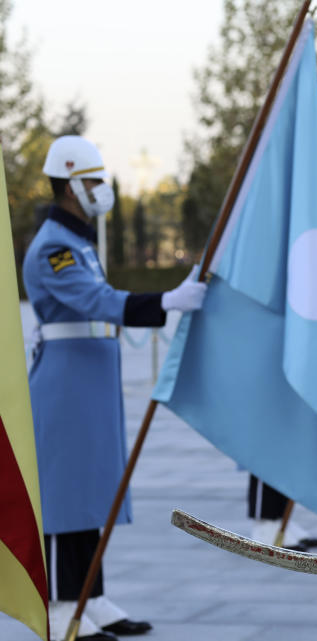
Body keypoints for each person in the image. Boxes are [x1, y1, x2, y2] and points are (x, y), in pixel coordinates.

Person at [23, 135, 207, 641]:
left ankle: (92, 595)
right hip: (65, 383)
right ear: (68, 185)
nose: (101, 190)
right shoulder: (54, 248)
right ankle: (62, 607)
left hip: (87, 381)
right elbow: (97, 301)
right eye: (93, 181)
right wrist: (167, 300)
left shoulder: (77, 240)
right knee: (64, 498)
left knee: (89, 492)